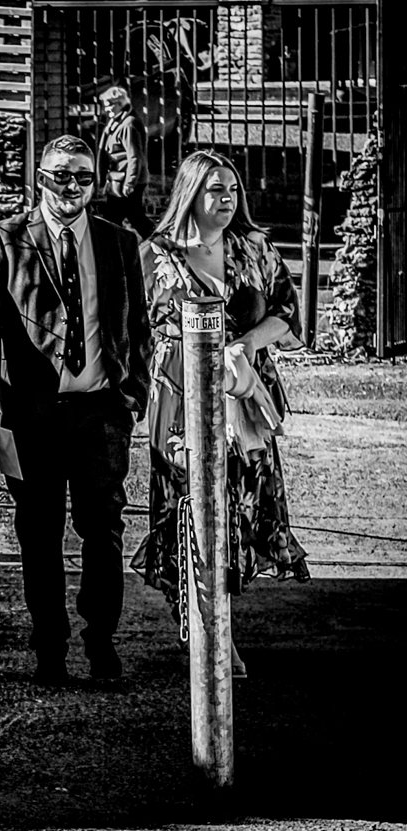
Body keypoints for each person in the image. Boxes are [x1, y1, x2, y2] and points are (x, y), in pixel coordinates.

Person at [0, 135, 152, 685]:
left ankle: (102, 644)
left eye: (82, 176)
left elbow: (136, 324)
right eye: (58, 176)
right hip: (33, 416)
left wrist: (131, 395)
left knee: (103, 529)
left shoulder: (118, 242)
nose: (70, 187)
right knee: (39, 533)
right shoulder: (9, 239)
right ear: (39, 178)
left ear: (96, 181)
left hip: (100, 413)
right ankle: (50, 649)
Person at [134, 150, 309, 676]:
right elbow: (132, 334)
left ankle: (220, 630)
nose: (227, 198)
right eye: (215, 189)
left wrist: (245, 345)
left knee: (234, 512)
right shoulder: (155, 256)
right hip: (180, 400)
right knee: (192, 513)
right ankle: (209, 636)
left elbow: (289, 317)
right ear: (190, 192)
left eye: (233, 188)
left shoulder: (254, 248)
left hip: (243, 407)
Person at [94, 85, 151, 239]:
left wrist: (129, 183)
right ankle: (115, 249)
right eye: (105, 105)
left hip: (127, 181)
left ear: (119, 103)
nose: (106, 109)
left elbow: (134, 156)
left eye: (109, 105)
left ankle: (163, 246)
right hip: (119, 179)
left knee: (130, 218)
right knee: (118, 218)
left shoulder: (128, 124)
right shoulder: (117, 123)